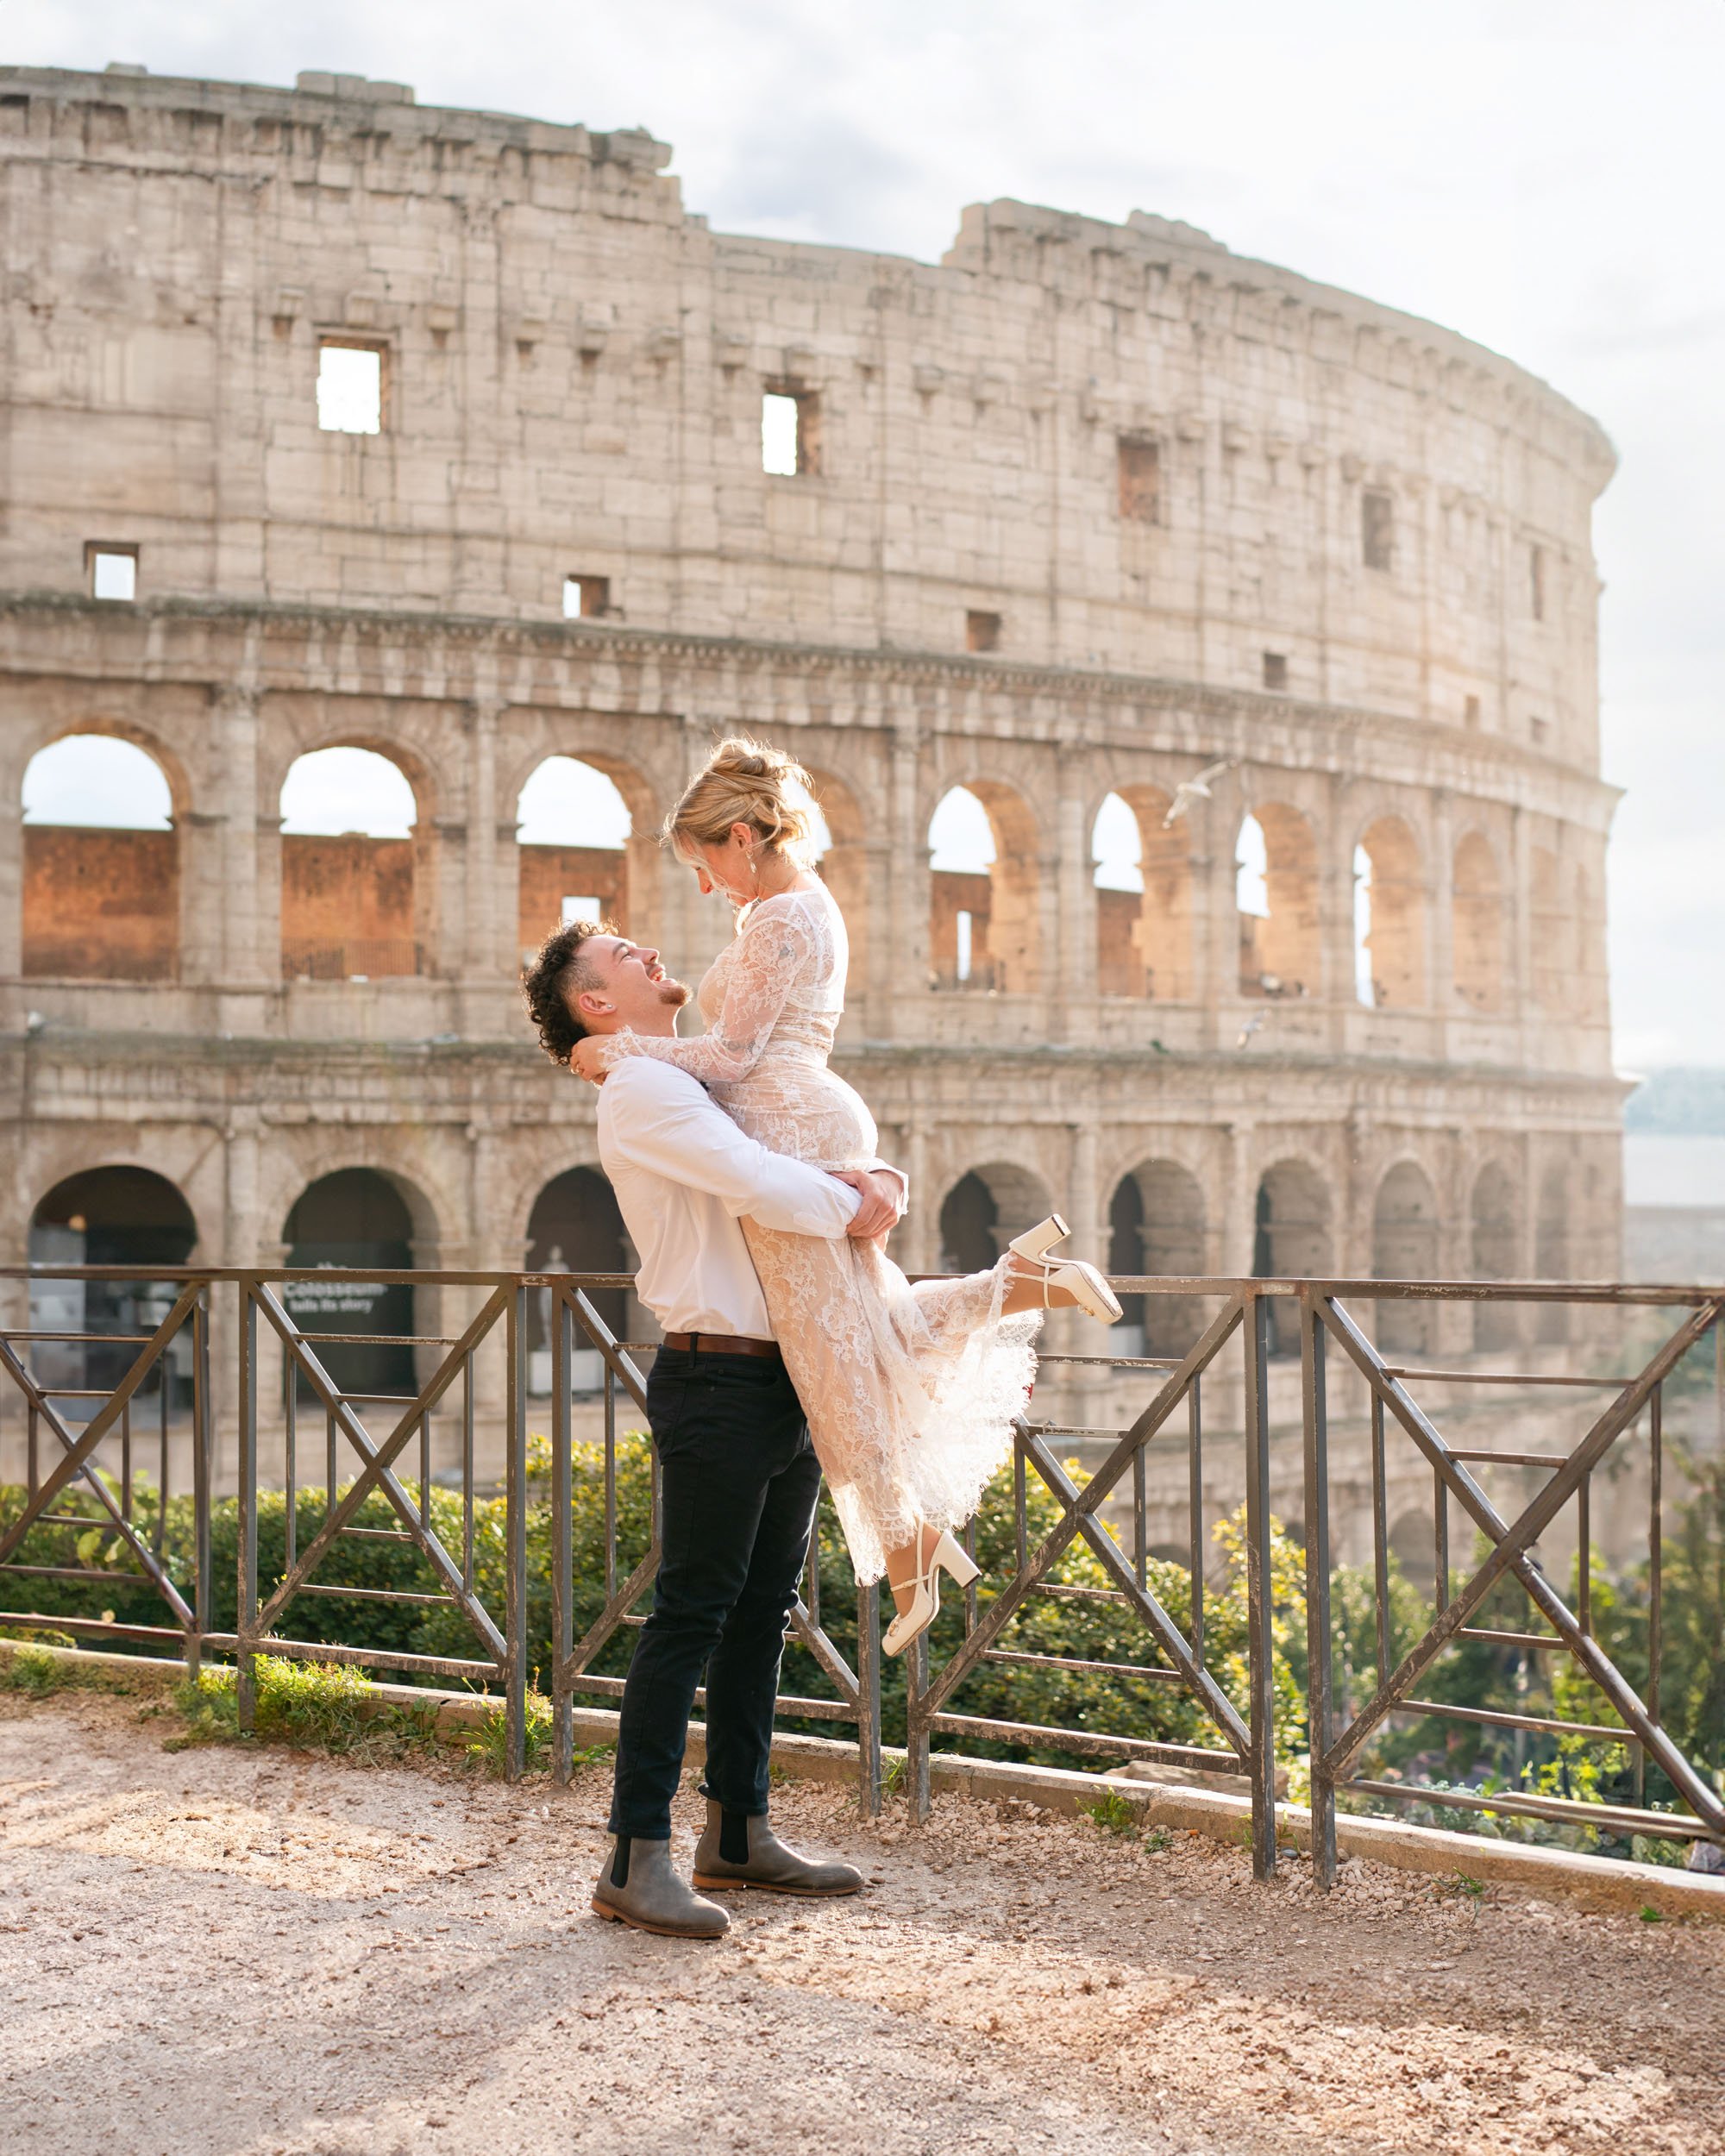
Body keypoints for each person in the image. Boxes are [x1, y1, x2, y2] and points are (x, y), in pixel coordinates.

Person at [568, 737, 1120, 1657]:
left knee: (825, 1348)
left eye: (705, 863)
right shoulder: (797, 906)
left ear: (743, 835)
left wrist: (621, 1050)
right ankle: (1016, 1286)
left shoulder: (780, 918)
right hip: (804, 1113)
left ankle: (904, 1538)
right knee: (858, 1325)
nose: (705, 888)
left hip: (784, 1118)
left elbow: (735, 1058)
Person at [524, 922, 907, 1939]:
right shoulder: (643, 1092)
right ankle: (632, 1854)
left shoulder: (681, 1073)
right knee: (692, 1611)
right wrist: (856, 1200)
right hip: (714, 1374)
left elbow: (788, 1141)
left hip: (782, 1370)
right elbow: (754, 1180)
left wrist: (863, 1176)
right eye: (622, 953)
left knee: (761, 1611)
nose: (649, 947)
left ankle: (737, 1831)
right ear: (595, 1002)